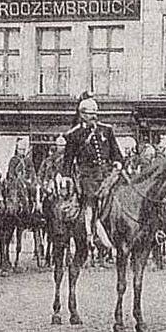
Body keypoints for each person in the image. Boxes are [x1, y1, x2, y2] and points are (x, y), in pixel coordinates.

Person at [61, 96, 123, 247]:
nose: (94, 116)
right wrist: (66, 178)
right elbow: (68, 162)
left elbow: (117, 154)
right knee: (91, 199)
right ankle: (92, 232)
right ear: (82, 114)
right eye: (90, 113)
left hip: (108, 175)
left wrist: (118, 164)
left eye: (95, 113)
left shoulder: (106, 130)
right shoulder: (74, 135)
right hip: (88, 176)